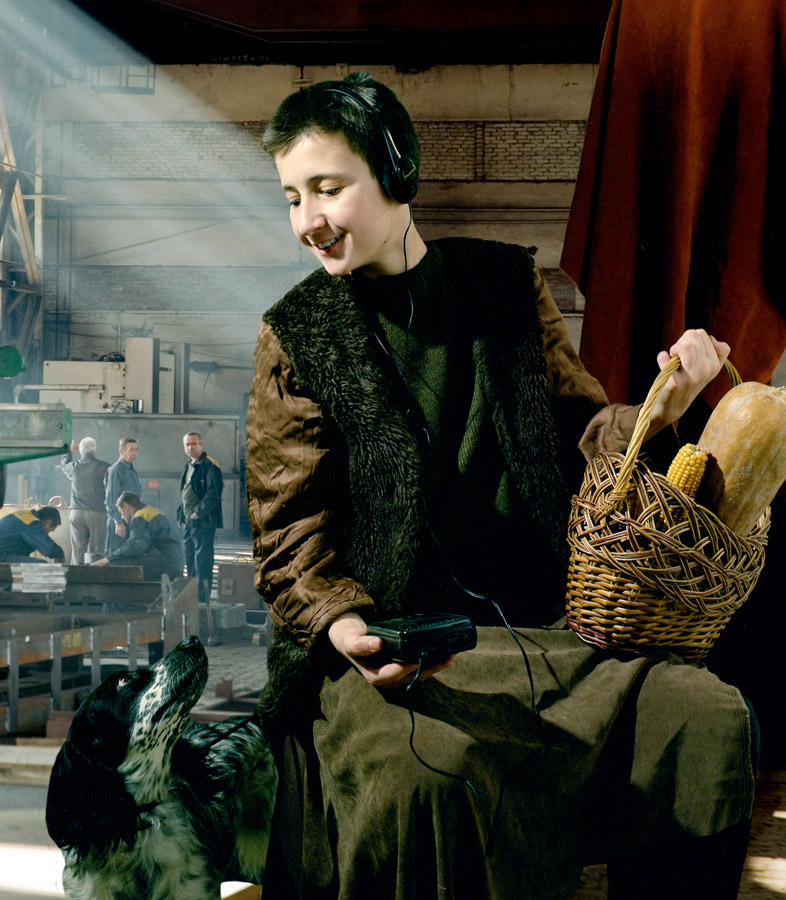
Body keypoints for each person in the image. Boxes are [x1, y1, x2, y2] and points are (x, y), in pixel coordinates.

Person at [246, 72, 756, 900]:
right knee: (432, 781)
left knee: (705, 717)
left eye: (328, 189)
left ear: (397, 170)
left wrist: (663, 408)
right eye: (292, 198)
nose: (309, 221)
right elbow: (286, 535)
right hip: (390, 660)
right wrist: (344, 626)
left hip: (544, 638)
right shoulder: (295, 335)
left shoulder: (508, 286)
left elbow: (586, 437)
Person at [91, 491, 184, 582]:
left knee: (115, 564)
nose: (122, 517)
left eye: (121, 511)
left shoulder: (141, 516)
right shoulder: (150, 512)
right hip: (173, 564)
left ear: (126, 506)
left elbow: (135, 546)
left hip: (166, 565)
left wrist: (106, 560)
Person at [177, 431, 223, 606]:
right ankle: (192, 597)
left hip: (202, 521)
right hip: (189, 520)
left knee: (202, 561)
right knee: (190, 559)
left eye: (193, 444)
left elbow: (213, 494)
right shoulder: (189, 465)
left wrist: (198, 513)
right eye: (187, 444)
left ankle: (202, 601)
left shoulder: (209, 466)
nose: (190, 447)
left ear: (201, 445)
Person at [58, 437, 110, 564]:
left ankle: (77, 574)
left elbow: (64, 465)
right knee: (97, 549)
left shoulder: (74, 467)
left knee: (77, 549)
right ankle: (95, 574)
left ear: (81, 451)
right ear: (95, 450)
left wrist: (69, 451)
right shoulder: (104, 467)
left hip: (76, 513)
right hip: (98, 513)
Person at [103, 437, 141, 554]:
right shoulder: (115, 470)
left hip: (130, 521)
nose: (134, 453)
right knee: (115, 557)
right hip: (119, 522)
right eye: (131, 450)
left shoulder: (132, 471)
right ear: (121, 451)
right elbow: (111, 499)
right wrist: (118, 521)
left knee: (127, 556)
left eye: (136, 450)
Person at [0, 506, 65, 563]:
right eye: (49, 531)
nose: (46, 534)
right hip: (2, 557)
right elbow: (48, 548)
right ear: (47, 523)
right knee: (41, 566)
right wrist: (59, 553)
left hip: (5, 554)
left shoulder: (24, 516)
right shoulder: (32, 524)